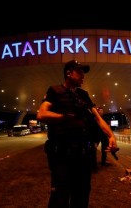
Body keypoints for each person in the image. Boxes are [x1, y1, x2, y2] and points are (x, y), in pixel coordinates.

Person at [37, 60, 118, 208]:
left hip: (82, 154)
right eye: (79, 72)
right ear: (69, 73)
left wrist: (111, 136)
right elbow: (42, 114)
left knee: (82, 193)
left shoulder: (83, 94)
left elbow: (97, 118)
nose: (83, 76)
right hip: (61, 154)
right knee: (60, 195)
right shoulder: (55, 91)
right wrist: (64, 117)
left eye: (83, 73)